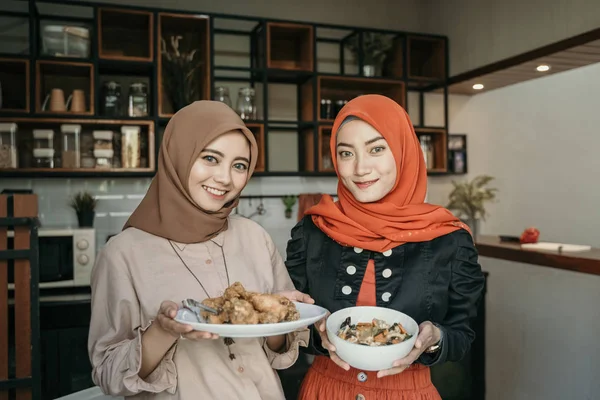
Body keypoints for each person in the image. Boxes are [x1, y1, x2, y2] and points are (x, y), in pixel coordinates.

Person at [88, 101, 311, 400]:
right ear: (178, 155)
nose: (225, 178)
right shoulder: (122, 254)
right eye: (210, 158)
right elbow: (109, 374)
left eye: (239, 165)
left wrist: (277, 318)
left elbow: (278, 352)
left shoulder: (255, 237)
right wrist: (163, 331)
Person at [285, 94, 485, 399]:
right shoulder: (312, 232)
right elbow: (290, 318)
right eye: (346, 153)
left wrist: (434, 338)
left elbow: (461, 334)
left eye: (377, 148)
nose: (361, 168)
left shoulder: (448, 239)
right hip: (325, 390)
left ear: (404, 152)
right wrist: (315, 333)